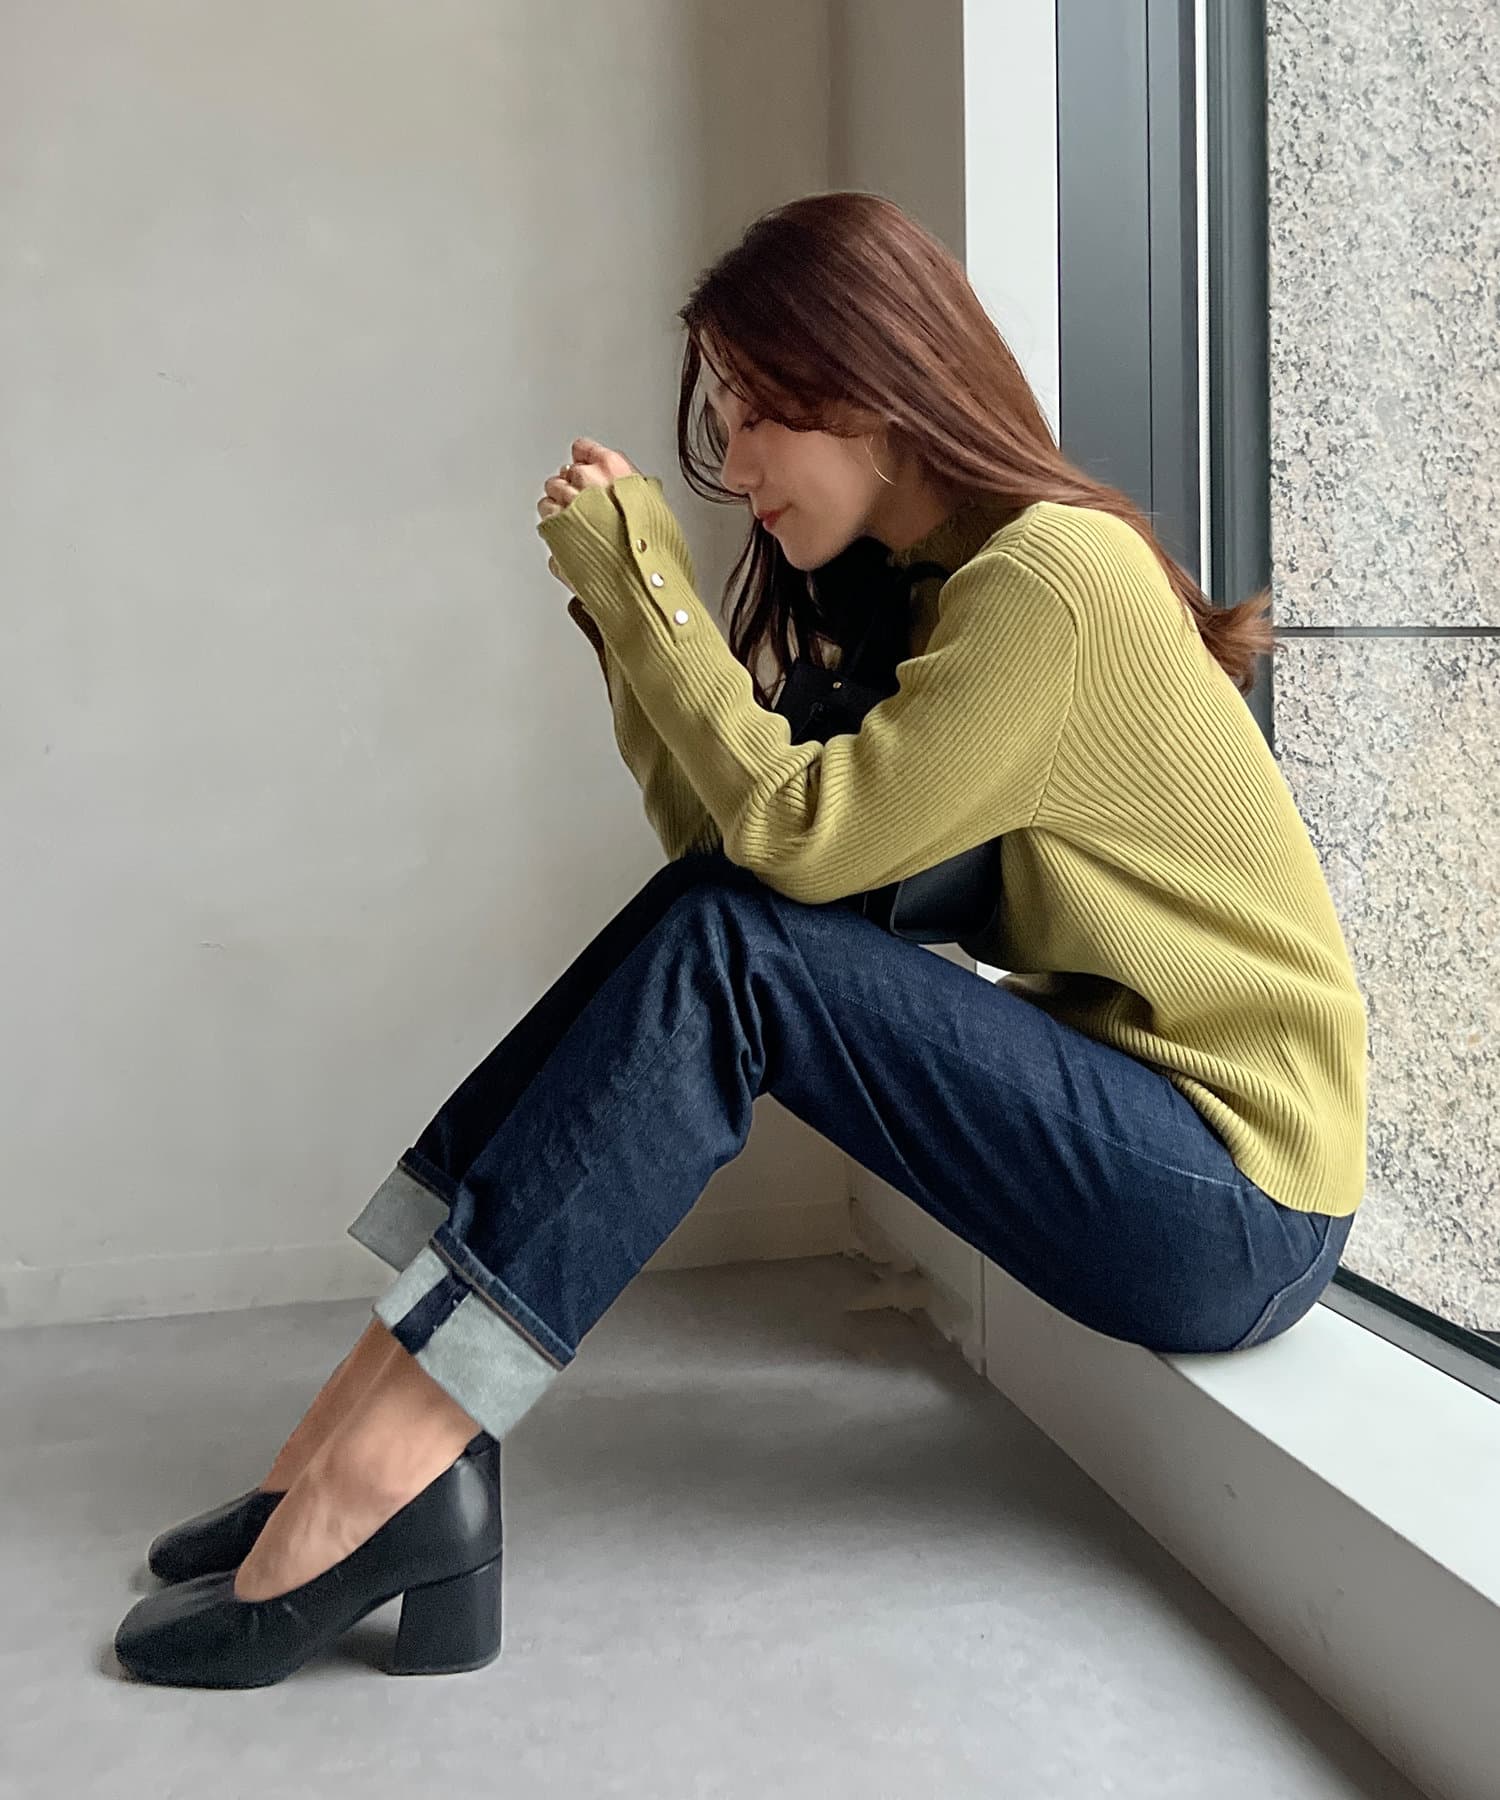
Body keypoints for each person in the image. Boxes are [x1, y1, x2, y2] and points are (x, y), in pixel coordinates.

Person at [113, 191, 1366, 1689]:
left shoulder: (1054, 579)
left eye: (765, 412)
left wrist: (653, 586)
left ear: (883, 392)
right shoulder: (941, 591)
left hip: (1237, 1197)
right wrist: (625, 635)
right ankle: (361, 1422)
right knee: (717, 929)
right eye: (727, 419)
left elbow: (792, 846)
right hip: (1146, 1144)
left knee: (732, 949)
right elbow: (734, 868)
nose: (737, 462)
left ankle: (395, 1459)